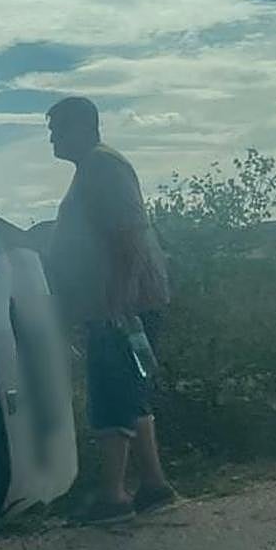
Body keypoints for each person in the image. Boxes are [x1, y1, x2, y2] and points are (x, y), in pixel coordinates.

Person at [44, 96, 178, 524]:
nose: (52, 139)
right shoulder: (93, 169)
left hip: (120, 305)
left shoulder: (104, 167)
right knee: (131, 393)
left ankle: (113, 495)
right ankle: (154, 486)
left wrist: (118, 300)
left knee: (109, 393)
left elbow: (128, 233)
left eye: (57, 130)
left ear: (83, 127)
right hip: (120, 303)